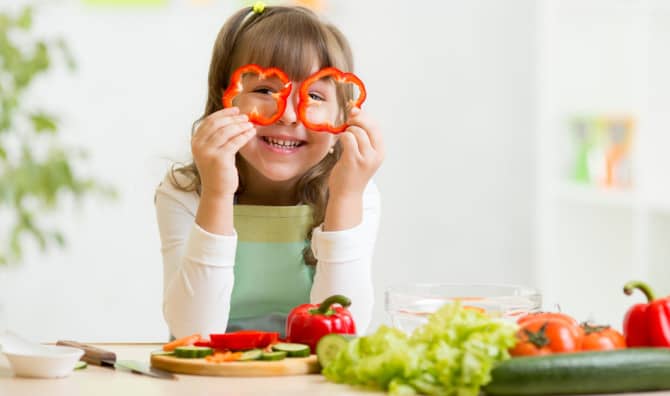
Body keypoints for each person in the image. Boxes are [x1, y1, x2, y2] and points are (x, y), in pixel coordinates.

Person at [154, 3, 384, 340]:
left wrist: (345, 198)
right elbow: (193, 332)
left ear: (342, 118)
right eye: (264, 90)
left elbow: (343, 334)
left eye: (315, 95)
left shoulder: (356, 193)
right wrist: (217, 193)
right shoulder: (185, 192)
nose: (289, 115)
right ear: (226, 101)